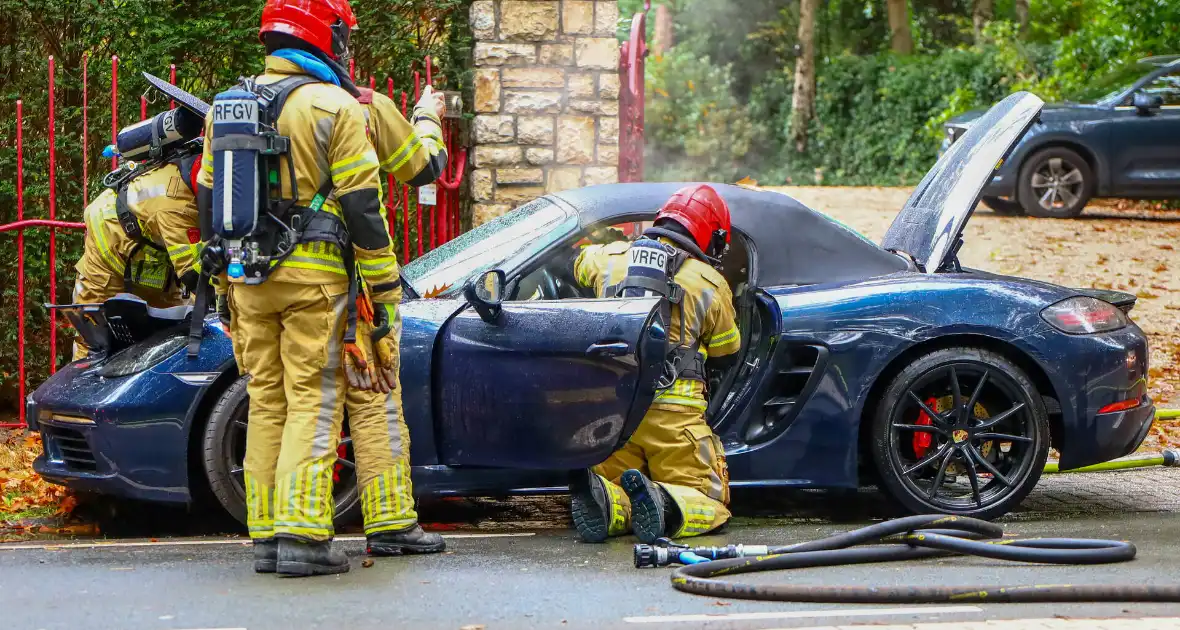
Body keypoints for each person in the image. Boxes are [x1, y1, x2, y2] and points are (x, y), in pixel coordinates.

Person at [196, 0, 406, 576]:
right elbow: (363, 207)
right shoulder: (334, 106)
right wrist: (384, 287)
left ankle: (265, 536)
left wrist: (219, 282)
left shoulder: (228, 106)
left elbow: (208, 200)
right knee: (314, 403)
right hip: (315, 283)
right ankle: (304, 538)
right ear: (325, 34)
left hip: (247, 280)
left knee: (267, 401)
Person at [569, 184, 742, 544]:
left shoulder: (611, 259)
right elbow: (728, 349)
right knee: (709, 500)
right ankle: (664, 502)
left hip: (615, 417)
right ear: (711, 235)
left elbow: (579, 265)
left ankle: (609, 503)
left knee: (614, 480)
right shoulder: (709, 281)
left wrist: (605, 248)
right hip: (675, 420)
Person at [344, 84, 447, 556]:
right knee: (374, 400)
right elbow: (425, 166)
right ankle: (390, 524)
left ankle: (284, 535)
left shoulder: (253, 109)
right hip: (347, 291)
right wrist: (428, 115)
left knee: (286, 410)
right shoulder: (362, 107)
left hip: (264, 289)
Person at [73, 154, 203, 359]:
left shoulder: (193, 183)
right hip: (109, 243)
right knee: (95, 335)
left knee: (169, 335)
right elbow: (192, 272)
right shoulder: (176, 201)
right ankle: (79, 389)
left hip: (149, 254)